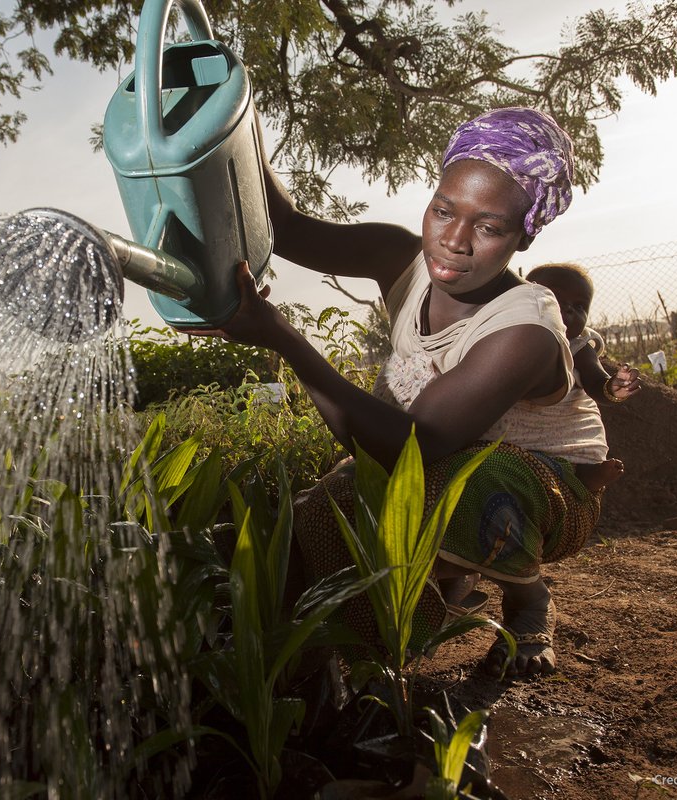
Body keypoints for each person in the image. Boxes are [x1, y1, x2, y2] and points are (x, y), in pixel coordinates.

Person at [183, 107, 609, 678]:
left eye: (489, 227)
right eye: (443, 210)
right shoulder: (401, 258)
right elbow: (285, 227)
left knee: (441, 486)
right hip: (445, 460)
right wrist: (235, 117)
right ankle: (422, 605)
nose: (453, 241)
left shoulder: (524, 330)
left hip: (543, 489)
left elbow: (410, 445)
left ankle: (507, 602)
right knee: (308, 523)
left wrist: (281, 336)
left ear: (524, 233)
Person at [524, 262, 643, 491]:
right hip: (517, 428)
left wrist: (613, 388)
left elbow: (597, 382)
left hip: (567, 428)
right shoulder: (508, 337)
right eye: (556, 301)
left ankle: (587, 472)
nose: (568, 310)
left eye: (579, 306)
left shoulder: (577, 346)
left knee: (583, 443)